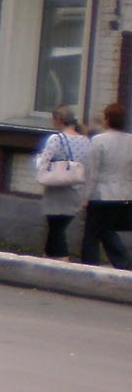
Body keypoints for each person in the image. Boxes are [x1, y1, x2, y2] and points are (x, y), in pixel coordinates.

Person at [78, 101, 132, 269]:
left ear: (107, 119)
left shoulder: (98, 141)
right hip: (124, 195)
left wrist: (84, 198)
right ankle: (124, 265)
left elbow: (92, 173)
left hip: (101, 195)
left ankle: (89, 268)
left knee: (92, 236)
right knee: (107, 230)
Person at [34, 106, 90, 260]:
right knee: (57, 226)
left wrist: (38, 161)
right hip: (76, 188)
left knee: (56, 226)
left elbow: (44, 161)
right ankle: (47, 258)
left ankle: (64, 259)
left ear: (58, 120)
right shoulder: (86, 140)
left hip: (57, 189)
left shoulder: (56, 139)